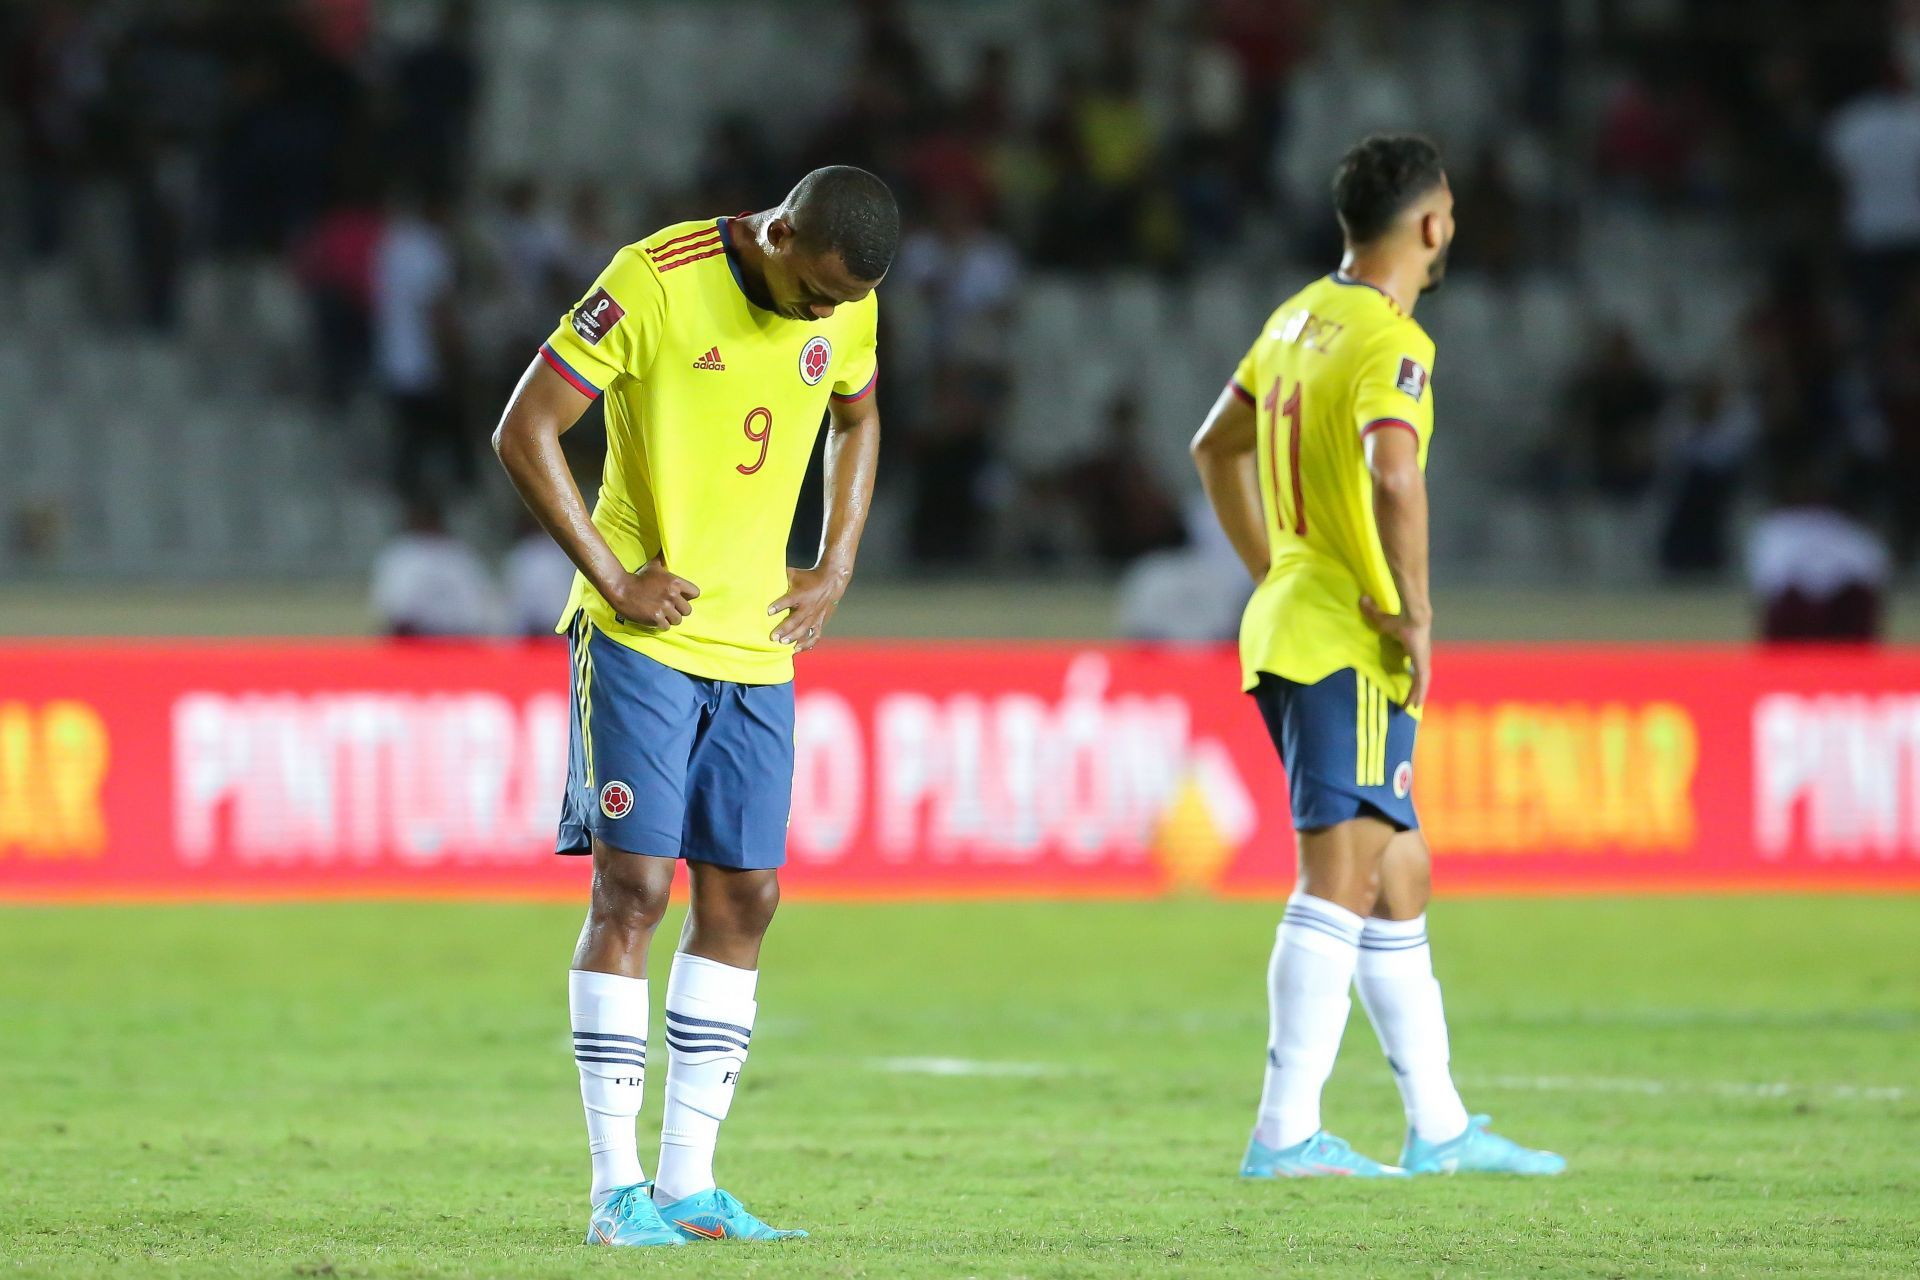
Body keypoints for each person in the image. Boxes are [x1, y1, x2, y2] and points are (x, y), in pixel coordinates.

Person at [491, 166, 895, 1246]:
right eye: (813, 291)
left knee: (748, 897)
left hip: (758, 648)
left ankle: (688, 1185)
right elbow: (524, 429)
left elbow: (859, 419)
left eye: (839, 303)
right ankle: (614, 1190)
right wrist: (614, 579)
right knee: (631, 887)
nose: (824, 314)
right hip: (641, 639)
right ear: (777, 232)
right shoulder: (653, 281)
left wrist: (836, 562)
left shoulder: (848, 301)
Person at [1189, 134, 1564, 1178]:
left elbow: (1212, 447)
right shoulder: (1394, 343)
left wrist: (1279, 567)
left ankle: (1440, 1126)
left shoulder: (1295, 317)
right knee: (1341, 877)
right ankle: (1285, 1133)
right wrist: (1415, 611)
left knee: (1401, 871)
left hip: (1294, 621)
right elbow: (1393, 473)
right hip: (1346, 639)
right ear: (1434, 224)